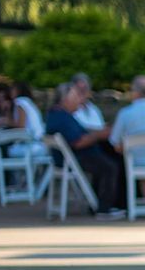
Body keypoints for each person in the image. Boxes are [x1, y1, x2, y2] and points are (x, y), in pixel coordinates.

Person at [44, 82, 124, 217]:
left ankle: (103, 205)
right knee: (110, 166)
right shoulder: (62, 118)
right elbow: (78, 142)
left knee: (108, 158)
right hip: (76, 158)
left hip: (68, 159)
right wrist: (100, 135)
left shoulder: (58, 115)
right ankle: (104, 208)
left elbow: (81, 132)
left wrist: (99, 132)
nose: (79, 101)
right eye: (76, 97)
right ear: (65, 99)